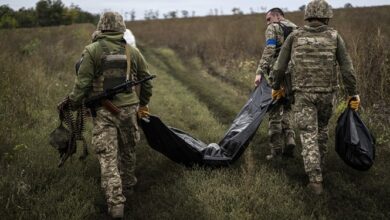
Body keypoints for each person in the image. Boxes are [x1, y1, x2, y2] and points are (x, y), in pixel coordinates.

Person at [61, 11, 153, 218]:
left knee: (108, 156)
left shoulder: (92, 50)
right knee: (128, 150)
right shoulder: (132, 51)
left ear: (101, 27)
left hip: (103, 112)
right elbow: (146, 82)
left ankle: (115, 203)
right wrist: (143, 104)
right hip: (129, 110)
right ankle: (128, 188)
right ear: (121, 27)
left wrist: (73, 104)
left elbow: (82, 83)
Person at [270, 0, 360, 195]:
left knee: (308, 133)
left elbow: (279, 67)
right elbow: (347, 69)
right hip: (328, 94)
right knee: (322, 130)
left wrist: (276, 87)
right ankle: (318, 167)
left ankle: (315, 179)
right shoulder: (335, 37)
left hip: (303, 94)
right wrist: (353, 93)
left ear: (307, 16)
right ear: (327, 16)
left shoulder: (294, 36)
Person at [254, 8, 297, 160]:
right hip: (294, 76)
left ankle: (276, 151)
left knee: (274, 111)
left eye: (268, 19)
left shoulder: (273, 28)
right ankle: (290, 139)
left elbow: (269, 49)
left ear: (277, 16)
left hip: (278, 75)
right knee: (287, 108)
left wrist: (260, 71)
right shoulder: (295, 29)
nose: (267, 23)